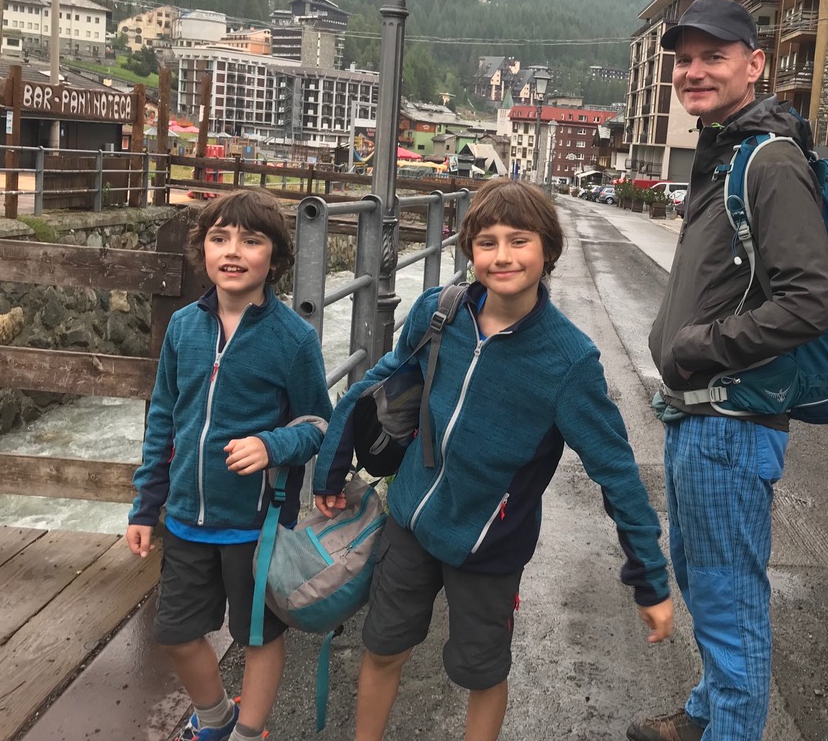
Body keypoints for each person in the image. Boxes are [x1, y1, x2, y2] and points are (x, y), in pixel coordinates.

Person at [313, 178, 674, 741]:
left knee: (480, 672)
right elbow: (377, 382)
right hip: (409, 517)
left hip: (489, 543)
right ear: (470, 251)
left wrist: (648, 578)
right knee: (383, 647)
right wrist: (330, 468)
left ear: (548, 250)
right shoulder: (441, 311)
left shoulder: (568, 361)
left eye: (519, 240)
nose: (502, 256)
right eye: (487, 242)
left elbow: (616, 470)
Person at [630, 0, 828, 741]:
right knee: (702, 578)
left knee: (729, 600)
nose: (694, 71)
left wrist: (696, 349)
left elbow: (810, 302)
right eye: (684, 59)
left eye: (714, 57)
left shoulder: (769, 159)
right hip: (701, 413)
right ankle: (705, 714)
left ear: (755, 64)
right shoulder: (725, 151)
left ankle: (728, 729)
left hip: (730, 418)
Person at [126, 189, 333, 741]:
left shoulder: (293, 339)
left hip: (256, 525)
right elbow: (163, 420)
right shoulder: (182, 329)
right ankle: (216, 716)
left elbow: (318, 425)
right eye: (219, 238)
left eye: (251, 239)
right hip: (185, 519)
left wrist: (272, 445)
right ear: (204, 251)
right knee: (175, 632)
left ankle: (249, 733)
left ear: (277, 258)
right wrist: (146, 505)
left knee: (258, 635)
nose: (233, 250)